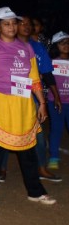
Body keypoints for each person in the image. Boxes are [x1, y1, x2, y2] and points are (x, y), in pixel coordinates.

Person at [0, 8, 56, 209]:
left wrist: (42, 103)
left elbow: (35, 78)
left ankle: (35, 191)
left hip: (23, 105)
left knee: (28, 153)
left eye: (14, 22)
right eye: (6, 23)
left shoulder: (27, 48)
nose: (12, 27)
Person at [17, 13, 62, 181]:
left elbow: (47, 73)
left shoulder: (38, 47)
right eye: (23, 23)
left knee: (38, 133)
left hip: (32, 97)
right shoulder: (7, 46)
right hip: (10, 97)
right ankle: (1, 169)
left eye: (29, 23)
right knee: (5, 132)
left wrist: (56, 95)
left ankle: (41, 168)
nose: (27, 26)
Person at [46, 31, 69, 172]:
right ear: (56, 46)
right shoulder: (51, 62)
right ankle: (54, 156)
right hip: (55, 101)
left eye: (68, 42)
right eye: (62, 43)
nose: (66, 45)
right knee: (57, 128)